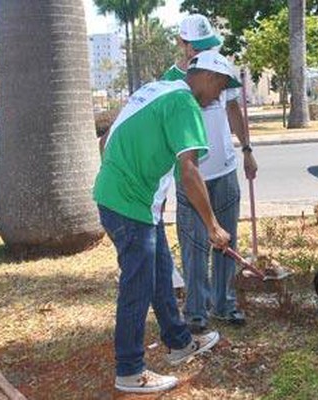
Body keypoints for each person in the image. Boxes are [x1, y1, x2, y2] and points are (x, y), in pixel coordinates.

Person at [93, 50, 241, 393]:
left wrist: (128, 178)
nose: (219, 95)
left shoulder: (157, 89)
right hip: (129, 206)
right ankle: (130, 371)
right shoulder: (184, 103)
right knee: (137, 286)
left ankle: (178, 342)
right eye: (220, 85)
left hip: (127, 200)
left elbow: (105, 141)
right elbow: (189, 170)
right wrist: (213, 226)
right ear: (206, 76)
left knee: (160, 271)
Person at [162, 14, 258, 333]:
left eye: (208, 45)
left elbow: (233, 111)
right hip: (190, 178)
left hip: (225, 172)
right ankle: (197, 311)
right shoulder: (172, 81)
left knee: (226, 238)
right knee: (194, 244)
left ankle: (224, 303)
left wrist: (247, 150)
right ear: (182, 44)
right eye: (196, 47)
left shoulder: (220, 71)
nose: (202, 52)